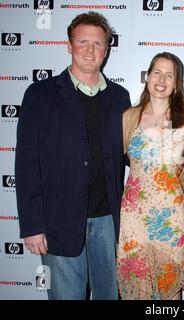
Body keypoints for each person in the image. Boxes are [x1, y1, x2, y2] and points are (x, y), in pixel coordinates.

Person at [15, 11, 131, 300]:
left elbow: (132, 154)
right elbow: (27, 164)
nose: (90, 50)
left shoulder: (120, 97)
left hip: (109, 222)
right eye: (83, 42)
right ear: (68, 45)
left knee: (110, 295)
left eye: (98, 43)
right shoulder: (40, 94)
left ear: (107, 49)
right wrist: (32, 226)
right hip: (58, 220)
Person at [117, 52, 184, 300]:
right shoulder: (129, 117)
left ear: (177, 83)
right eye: (157, 72)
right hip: (134, 214)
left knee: (170, 286)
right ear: (147, 76)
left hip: (170, 214)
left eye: (170, 75)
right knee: (137, 284)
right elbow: (118, 161)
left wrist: (172, 191)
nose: (162, 79)